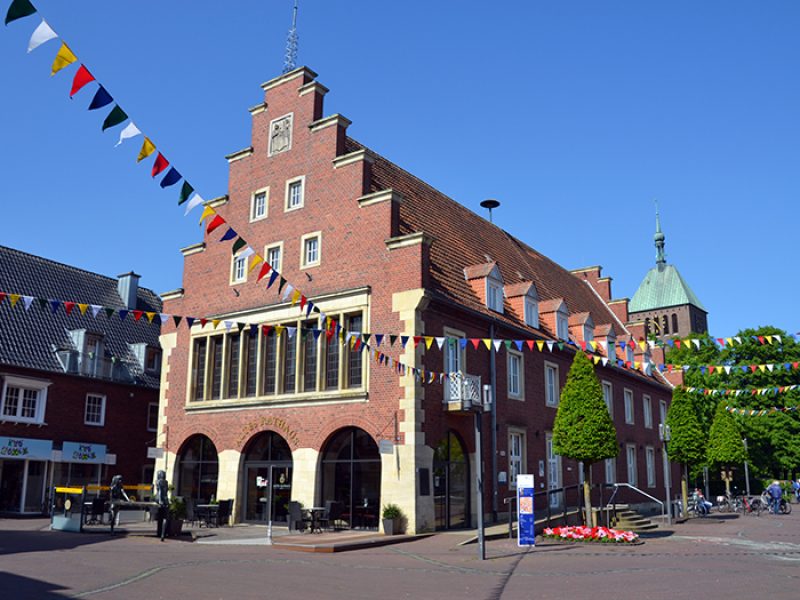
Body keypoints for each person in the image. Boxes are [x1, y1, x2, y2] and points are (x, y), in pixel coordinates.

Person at [153, 470, 169, 541]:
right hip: (165, 500)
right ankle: (163, 533)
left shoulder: (158, 481)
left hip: (159, 499)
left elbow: (159, 492)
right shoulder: (166, 482)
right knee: (165, 517)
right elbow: (165, 492)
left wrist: (159, 500)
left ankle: (161, 533)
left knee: (161, 516)